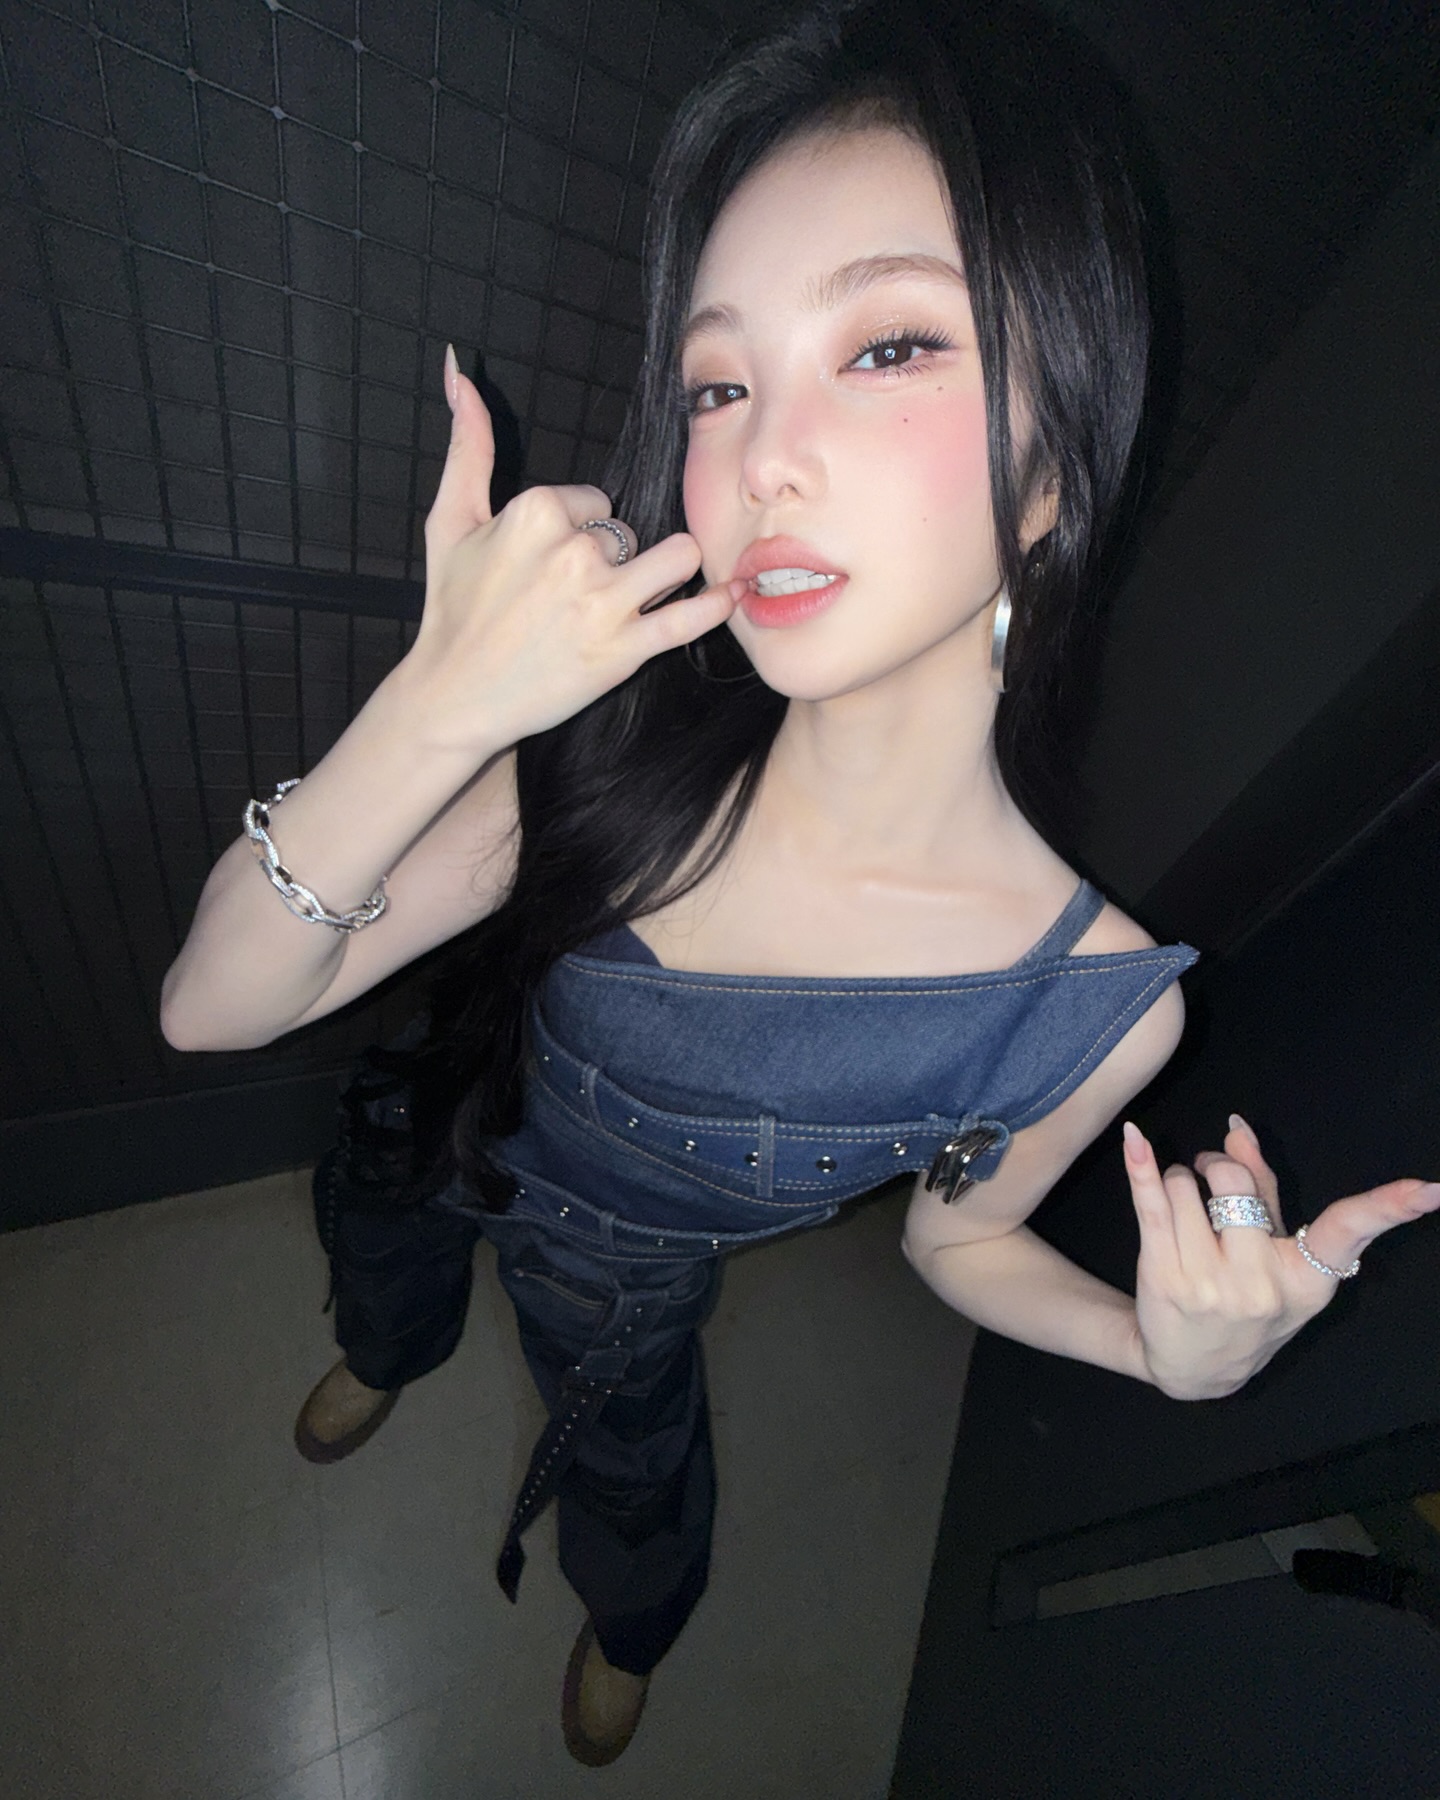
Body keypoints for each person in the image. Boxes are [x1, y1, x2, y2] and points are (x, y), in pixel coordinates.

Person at [160, 0, 1439, 1767]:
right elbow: (210, 1009)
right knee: (379, 1243)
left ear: (1058, 467)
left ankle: (630, 1619)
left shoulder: (1078, 1005)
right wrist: (438, 705)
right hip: (434, 1120)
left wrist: (1164, 1356)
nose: (763, 456)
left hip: (622, 1301)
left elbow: (959, 1239)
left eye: (890, 345)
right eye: (720, 381)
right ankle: (388, 1343)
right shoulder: (617, 734)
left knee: (631, 1472)